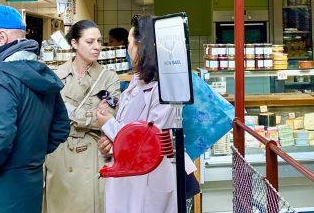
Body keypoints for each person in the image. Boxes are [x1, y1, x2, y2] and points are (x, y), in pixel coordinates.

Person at [0, 5, 69, 213]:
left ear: (1, 38)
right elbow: (61, 127)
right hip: (28, 188)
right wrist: (27, 158)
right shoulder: (40, 71)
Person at [97, 15, 199, 213]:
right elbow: (128, 127)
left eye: (129, 43)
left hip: (152, 176)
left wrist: (108, 124)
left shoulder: (165, 88)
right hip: (130, 176)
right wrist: (111, 143)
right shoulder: (137, 82)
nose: (127, 49)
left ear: (142, 46)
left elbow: (148, 140)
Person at [44, 20, 121, 213]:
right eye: (90, 41)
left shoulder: (108, 77)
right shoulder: (55, 75)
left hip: (92, 154)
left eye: (99, 41)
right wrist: (91, 115)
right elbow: (48, 115)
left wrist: (70, 113)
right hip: (60, 153)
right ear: (75, 43)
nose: (97, 46)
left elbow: (108, 118)